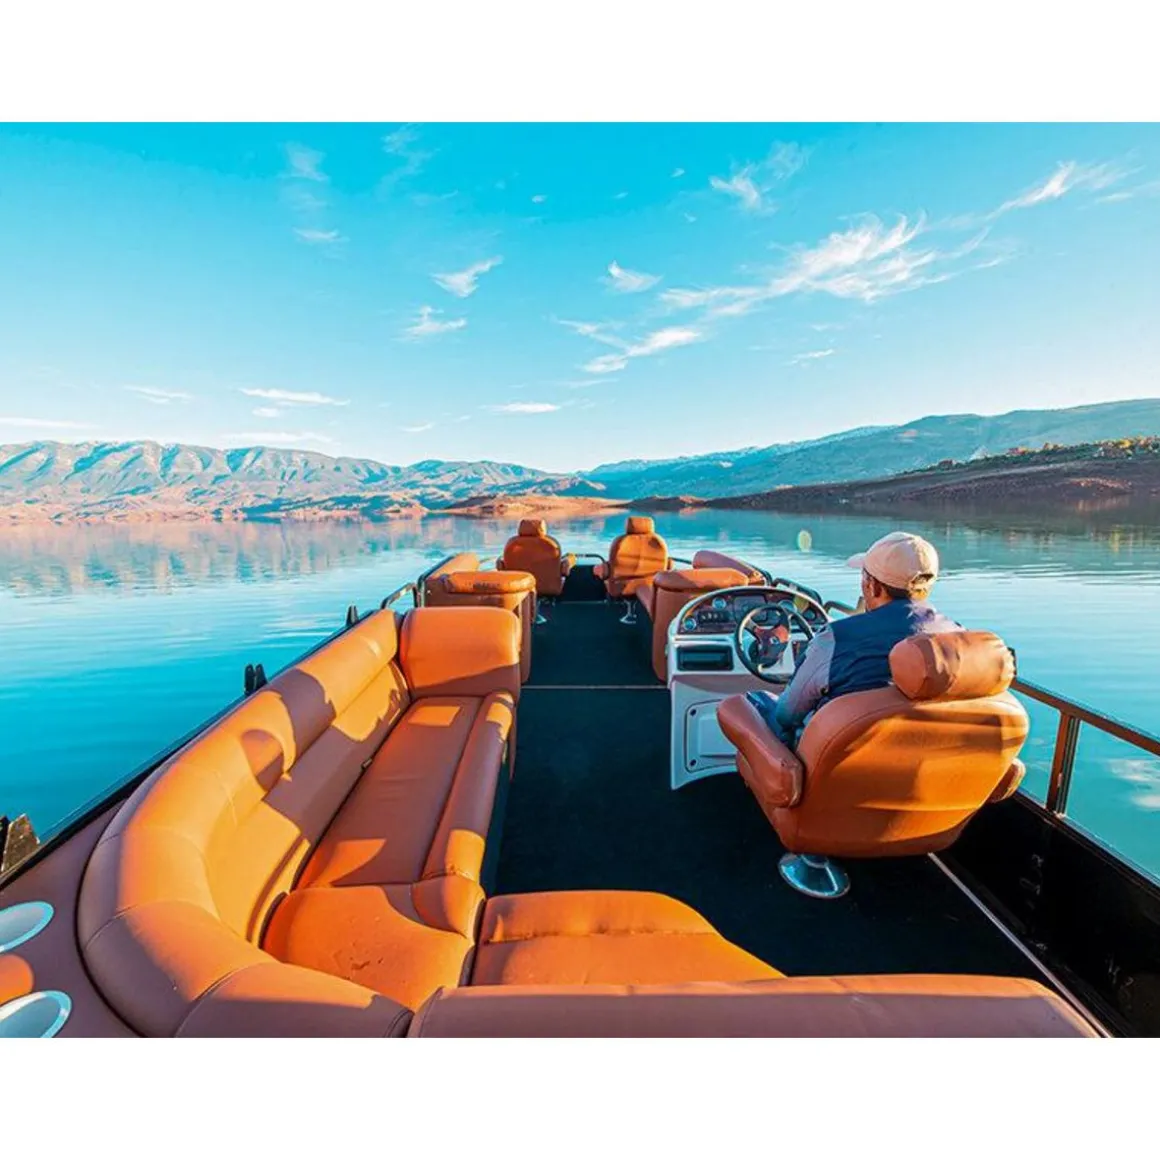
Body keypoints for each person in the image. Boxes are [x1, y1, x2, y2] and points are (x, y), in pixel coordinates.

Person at [747, 531, 961, 747]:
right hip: (928, 754)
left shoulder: (836, 638)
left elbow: (787, 714)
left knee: (749, 703)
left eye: (864, 576)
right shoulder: (959, 638)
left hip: (839, 759)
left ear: (873, 586)